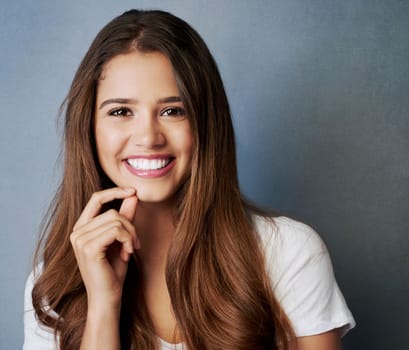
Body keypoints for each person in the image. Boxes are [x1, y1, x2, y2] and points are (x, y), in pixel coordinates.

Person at [23, 9, 355, 350]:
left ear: (206, 122)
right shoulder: (54, 283)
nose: (149, 137)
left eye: (173, 111)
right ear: (88, 128)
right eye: (121, 112)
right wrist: (104, 306)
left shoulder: (290, 252)